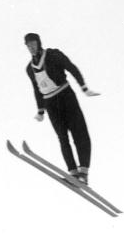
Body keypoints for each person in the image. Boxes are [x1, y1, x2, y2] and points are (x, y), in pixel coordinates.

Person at [24, 32, 99, 184]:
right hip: (51, 103)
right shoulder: (29, 68)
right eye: (28, 45)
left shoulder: (53, 55)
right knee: (63, 138)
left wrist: (84, 87)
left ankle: (83, 172)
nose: (31, 47)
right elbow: (37, 89)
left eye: (33, 44)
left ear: (39, 43)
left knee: (80, 133)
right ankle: (73, 174)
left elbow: (72, 68)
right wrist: (40, 110)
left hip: (66, 97)